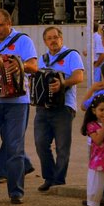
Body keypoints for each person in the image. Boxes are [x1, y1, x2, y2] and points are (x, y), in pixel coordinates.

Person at [0, 9, 38, 204]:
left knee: (14, 146)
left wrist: (19, 64)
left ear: (9, 24)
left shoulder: (23, 41)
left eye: (0, 25)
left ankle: (16, 191)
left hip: (17, 102)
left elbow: (34, 66)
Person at [33, 26, 85, 191]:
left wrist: (62, 83)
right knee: (41, 143)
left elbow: (79, 77)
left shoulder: (71, 55)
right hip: (43, 107)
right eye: (49, 38)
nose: (53, 40)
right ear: (45, 42)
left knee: (62, 146)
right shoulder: (42, 60)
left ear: (61, 39)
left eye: (56, 37)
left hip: (64, 107)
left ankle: (59, 180)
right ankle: (49, 177)